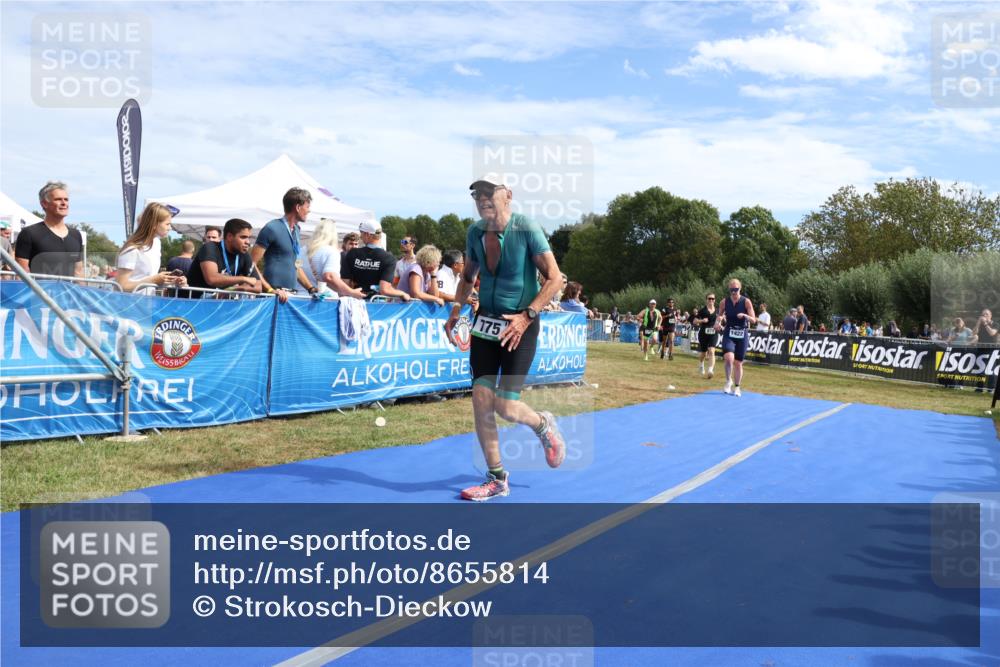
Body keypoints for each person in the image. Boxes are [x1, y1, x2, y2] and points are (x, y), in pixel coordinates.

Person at [442, 175, 567, 501]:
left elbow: (555, 279)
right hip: (485, 324)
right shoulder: (474, 233)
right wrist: (455, 310)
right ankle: (497, 478)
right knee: (481, 400)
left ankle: (541, 424)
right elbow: (467, 277)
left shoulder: (526, 228)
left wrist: (527, 316)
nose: (482, 199)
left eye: (489, 192)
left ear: (507, 195)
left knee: (507, 407)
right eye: (477, 195)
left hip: (519, 325)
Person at [251, 187, 320, 302]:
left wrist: (311, 288)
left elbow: (296, 265)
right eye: (307, 207)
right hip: (273, 295)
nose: (309, 211)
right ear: (298, 207)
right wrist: (269, 290)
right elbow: (251, 263)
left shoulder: (297, 230)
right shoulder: (272, 228)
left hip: (290, 295)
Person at [15, 181, 83, 277]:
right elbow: (21, 274)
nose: (64, 203)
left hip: (69, 287)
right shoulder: (29, 233)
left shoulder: (76, 235)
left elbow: (78, 273)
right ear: (44, 204)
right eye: (58, 199)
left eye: (66, 199)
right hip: (38, 287)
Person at [116, 202, 186, 293]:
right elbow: (121, 286)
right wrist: (153, 280)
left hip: (148, 300)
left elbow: (150, 280)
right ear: (154, 224)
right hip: (131, 301)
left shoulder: (156, 244)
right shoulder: (131, 249)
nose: (170, 228)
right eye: (167, 224)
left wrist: (173, 281)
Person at [185, 218, 262, 294]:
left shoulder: (244, 254)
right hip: (192, 300)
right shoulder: (210, 248)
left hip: (217, 301)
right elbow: (212, 279)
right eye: (243, 237)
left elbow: (258, 286)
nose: (248, 242)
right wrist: (243, 279)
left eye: (249, 238)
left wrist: (237, 288)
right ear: (229, 236)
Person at [341, 220, 411, 301]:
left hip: (355, 301)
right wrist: (403, 294)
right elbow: (385, 290)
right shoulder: (389, 258)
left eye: (362, 233)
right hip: (377, 303)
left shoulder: (352, 254)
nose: (361, 236)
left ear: (367, 235)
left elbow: (345, 284)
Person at [301, 218, 364, 299]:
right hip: (325, 299)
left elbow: (296, 270)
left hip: (299, 297)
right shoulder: (331, 251)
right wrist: (351, 292)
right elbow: (329, 276)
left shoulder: (301, 250)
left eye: (356, 244)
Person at [715, 278, 757, 397]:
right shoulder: (724, 302)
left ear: (740, 289)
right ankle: (728, 381)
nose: (734, 292)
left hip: (742, 333)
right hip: (729, 332)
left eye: (736, 289)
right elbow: (719, 315)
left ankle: (737, 387)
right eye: (732, 290)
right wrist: (717, 323)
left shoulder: (746, 302)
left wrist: (744, 315)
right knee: (729, 358)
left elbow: (753, 320)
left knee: (738, 363)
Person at [695, 293, 719, 378]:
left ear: (715, 300)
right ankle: (701, 365)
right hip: (703, 334)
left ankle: (710, 370)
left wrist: (720, 323)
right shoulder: (702, 310)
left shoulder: (718, 311)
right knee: (704, 353)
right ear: (706, 300)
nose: (711, 300)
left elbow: (721, 320)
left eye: (713, 299)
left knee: (712, 351)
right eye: (709, 298)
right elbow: (694, 321)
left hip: (713, 334)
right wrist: (702, 321)